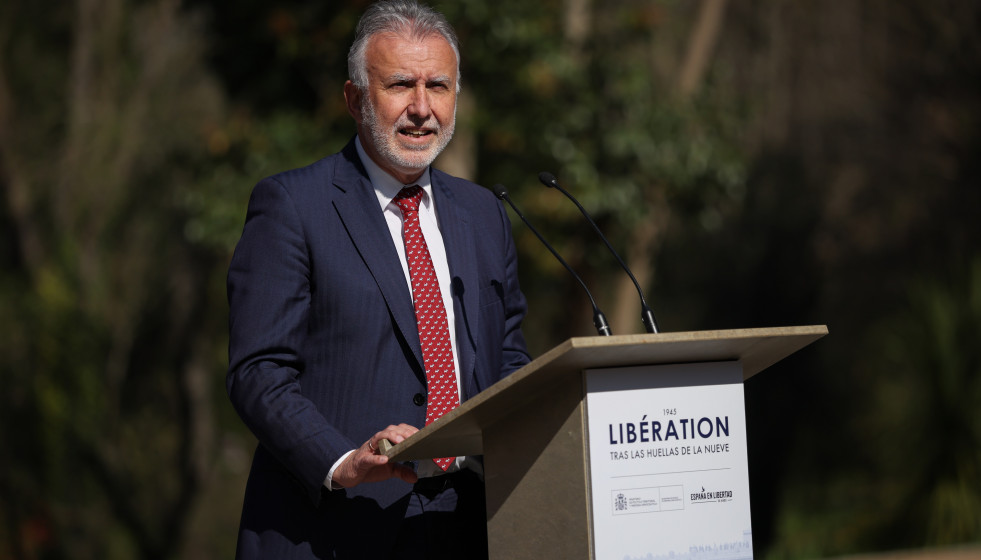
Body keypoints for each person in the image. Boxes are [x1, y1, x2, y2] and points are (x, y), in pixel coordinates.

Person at [225, 1, 531, 558]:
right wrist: (341, 462)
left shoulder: (485, 213)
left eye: (438, 86)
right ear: (354, 98)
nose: (421, 108)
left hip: (470, 519)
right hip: (338, 525)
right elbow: (259, 371)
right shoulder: (292, 206)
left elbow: (508, 359)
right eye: (400, 85)